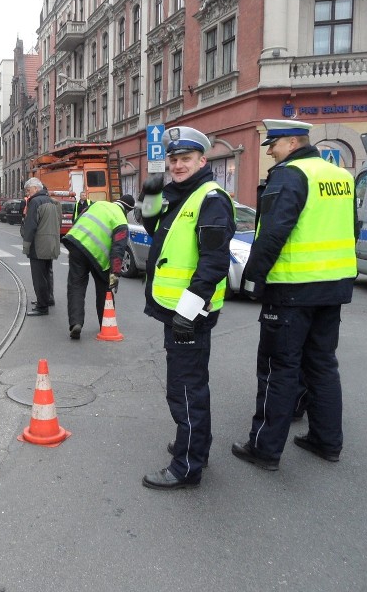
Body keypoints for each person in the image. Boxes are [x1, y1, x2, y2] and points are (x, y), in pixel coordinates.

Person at [232, 119, 357, 471]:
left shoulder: (290, 175)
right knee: (322, 364)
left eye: (273, 145)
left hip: (292, 287)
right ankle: (326, 441)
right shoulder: (341, 177)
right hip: (334, 285)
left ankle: (265, 449)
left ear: (290, 142)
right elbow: (353, 228)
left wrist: (253, 279)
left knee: (279, 368)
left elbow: (273, 232)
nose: (270, 152)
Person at [138, 126, 236, 490]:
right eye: (174, 159)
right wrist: (149, 198)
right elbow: (154, 230)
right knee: (187, 385)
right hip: (176, 308)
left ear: (202, 160)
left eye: (185, 159)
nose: (178, 165)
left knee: (185, 389)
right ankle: (195, 446)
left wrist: (188, 311)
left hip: (188, 313)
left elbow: (214, 261)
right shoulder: (178, 193)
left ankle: (187, 466)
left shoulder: (210, 197)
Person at [62, 200, 129, 339]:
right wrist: (114, 274)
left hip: (77, 244)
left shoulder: (97, 204)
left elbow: (79, 219)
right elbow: (118, 250)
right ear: (127, 210)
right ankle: (105, 323)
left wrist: (74, 246)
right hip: (98, 257)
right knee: (104, 289)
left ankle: (76, 323)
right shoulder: (121, 220)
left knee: (76, 286)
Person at [21, 177, 62, 316]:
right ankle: (48, 299)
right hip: (52, 244)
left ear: (36, 188)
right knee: (47, 273)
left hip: (39, 246)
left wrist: (26, 246)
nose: (27, 193)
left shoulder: (35, 202)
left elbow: (31, 226)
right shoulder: (52, 201)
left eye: (28, 190)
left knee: (39, 277)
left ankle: (42, 306)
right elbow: (59, 223)